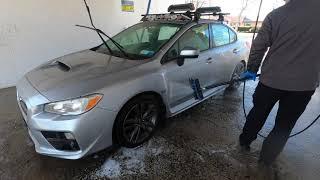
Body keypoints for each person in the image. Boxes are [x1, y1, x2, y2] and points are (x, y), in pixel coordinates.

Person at [239, 0, 320, 165]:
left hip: (270, 81)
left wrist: (252, 69)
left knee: (257, 114)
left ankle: (243, 144)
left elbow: (259, 46)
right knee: (284, 126)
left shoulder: (276, 15)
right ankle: (265, 164)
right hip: (304, 85)